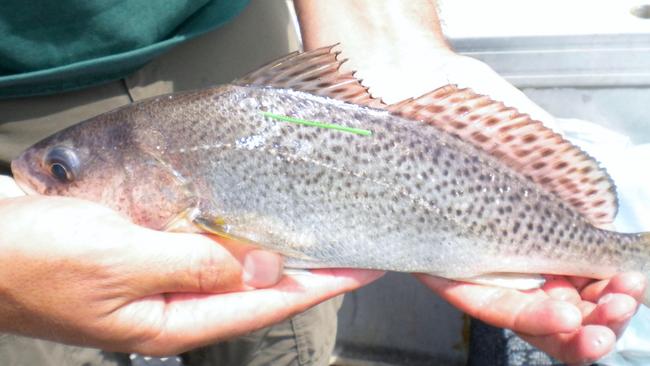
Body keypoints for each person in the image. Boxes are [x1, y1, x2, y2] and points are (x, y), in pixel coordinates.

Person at [0, 1, 644, 365]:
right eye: (64, 170)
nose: (48, 177)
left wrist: (385, 41)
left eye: (60, 171)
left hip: (225, 27)